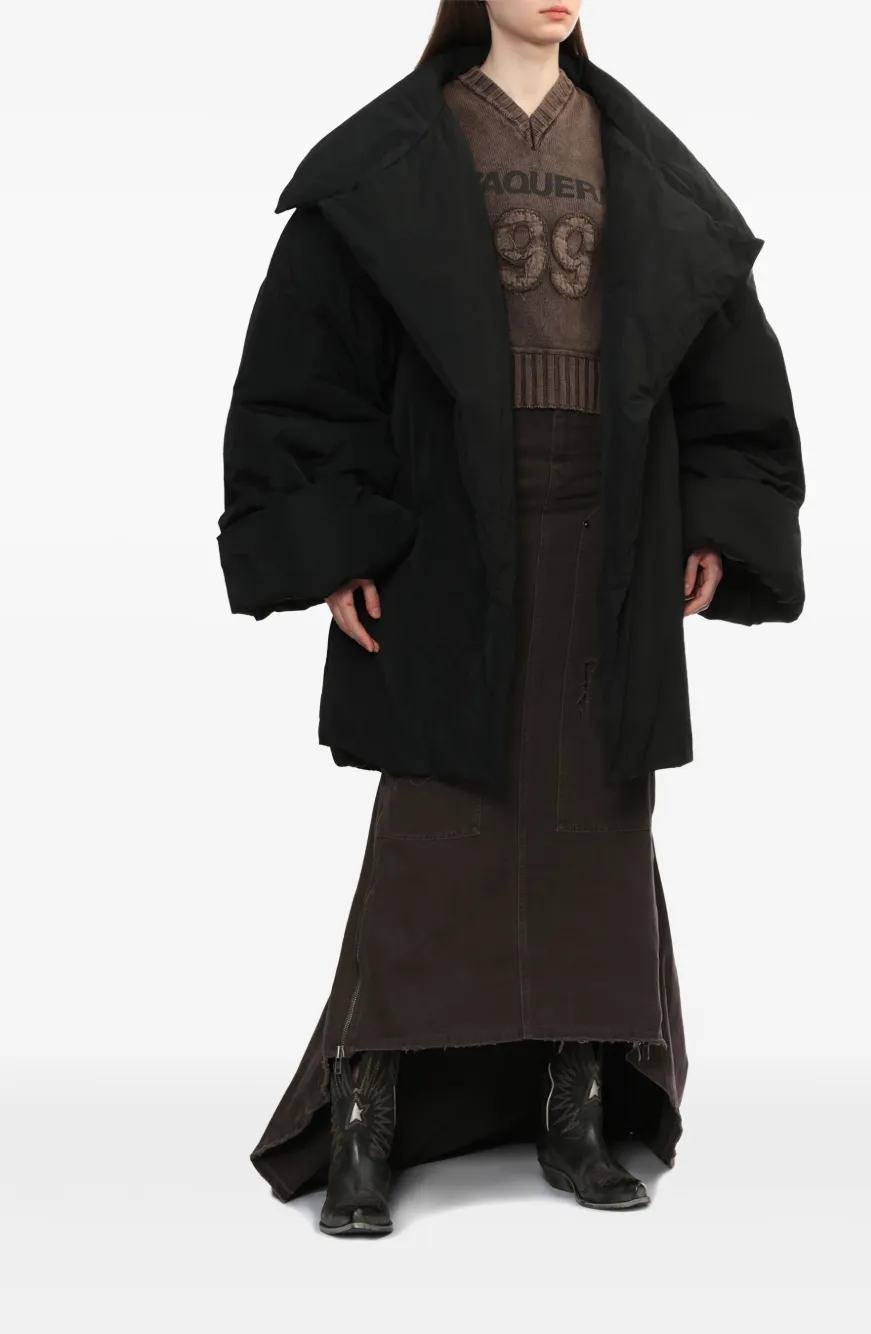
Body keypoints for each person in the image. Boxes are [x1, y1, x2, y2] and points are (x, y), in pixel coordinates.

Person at [217, 0, 805, 1238]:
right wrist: (340, 541)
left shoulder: (639, 157)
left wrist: (713, 518)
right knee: (434, 815)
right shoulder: (396, 152)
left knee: (598, 808)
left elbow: (717, 355)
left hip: (612, 519)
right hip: (446, 519)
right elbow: (309, 361)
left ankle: (575, 1108)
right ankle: (365, 1114)